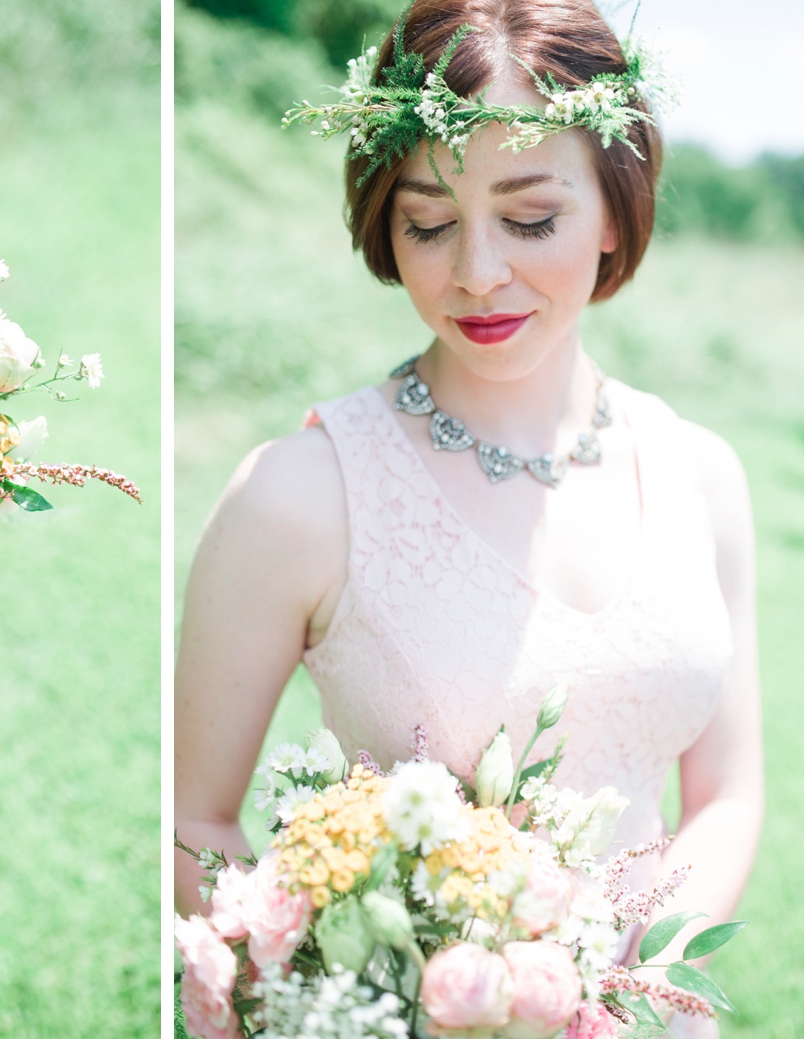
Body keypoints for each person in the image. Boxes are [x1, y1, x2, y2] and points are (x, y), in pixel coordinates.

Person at [174, 1, 762, 1034]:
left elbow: (722, 797)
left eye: (529, 219)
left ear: (615, 211)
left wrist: (623, 988)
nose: (476, 272)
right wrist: (336, 994)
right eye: (428, 223)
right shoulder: (298, 496)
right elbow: (189, 818)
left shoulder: (700, 475)